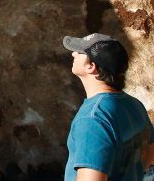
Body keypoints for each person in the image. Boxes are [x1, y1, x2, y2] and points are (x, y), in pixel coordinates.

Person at [63, 33, 154, 181]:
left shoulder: (93, 120)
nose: (73, 53)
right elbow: (149, 153)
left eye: (79, 52)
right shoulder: (134, 105)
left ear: (91, 66)